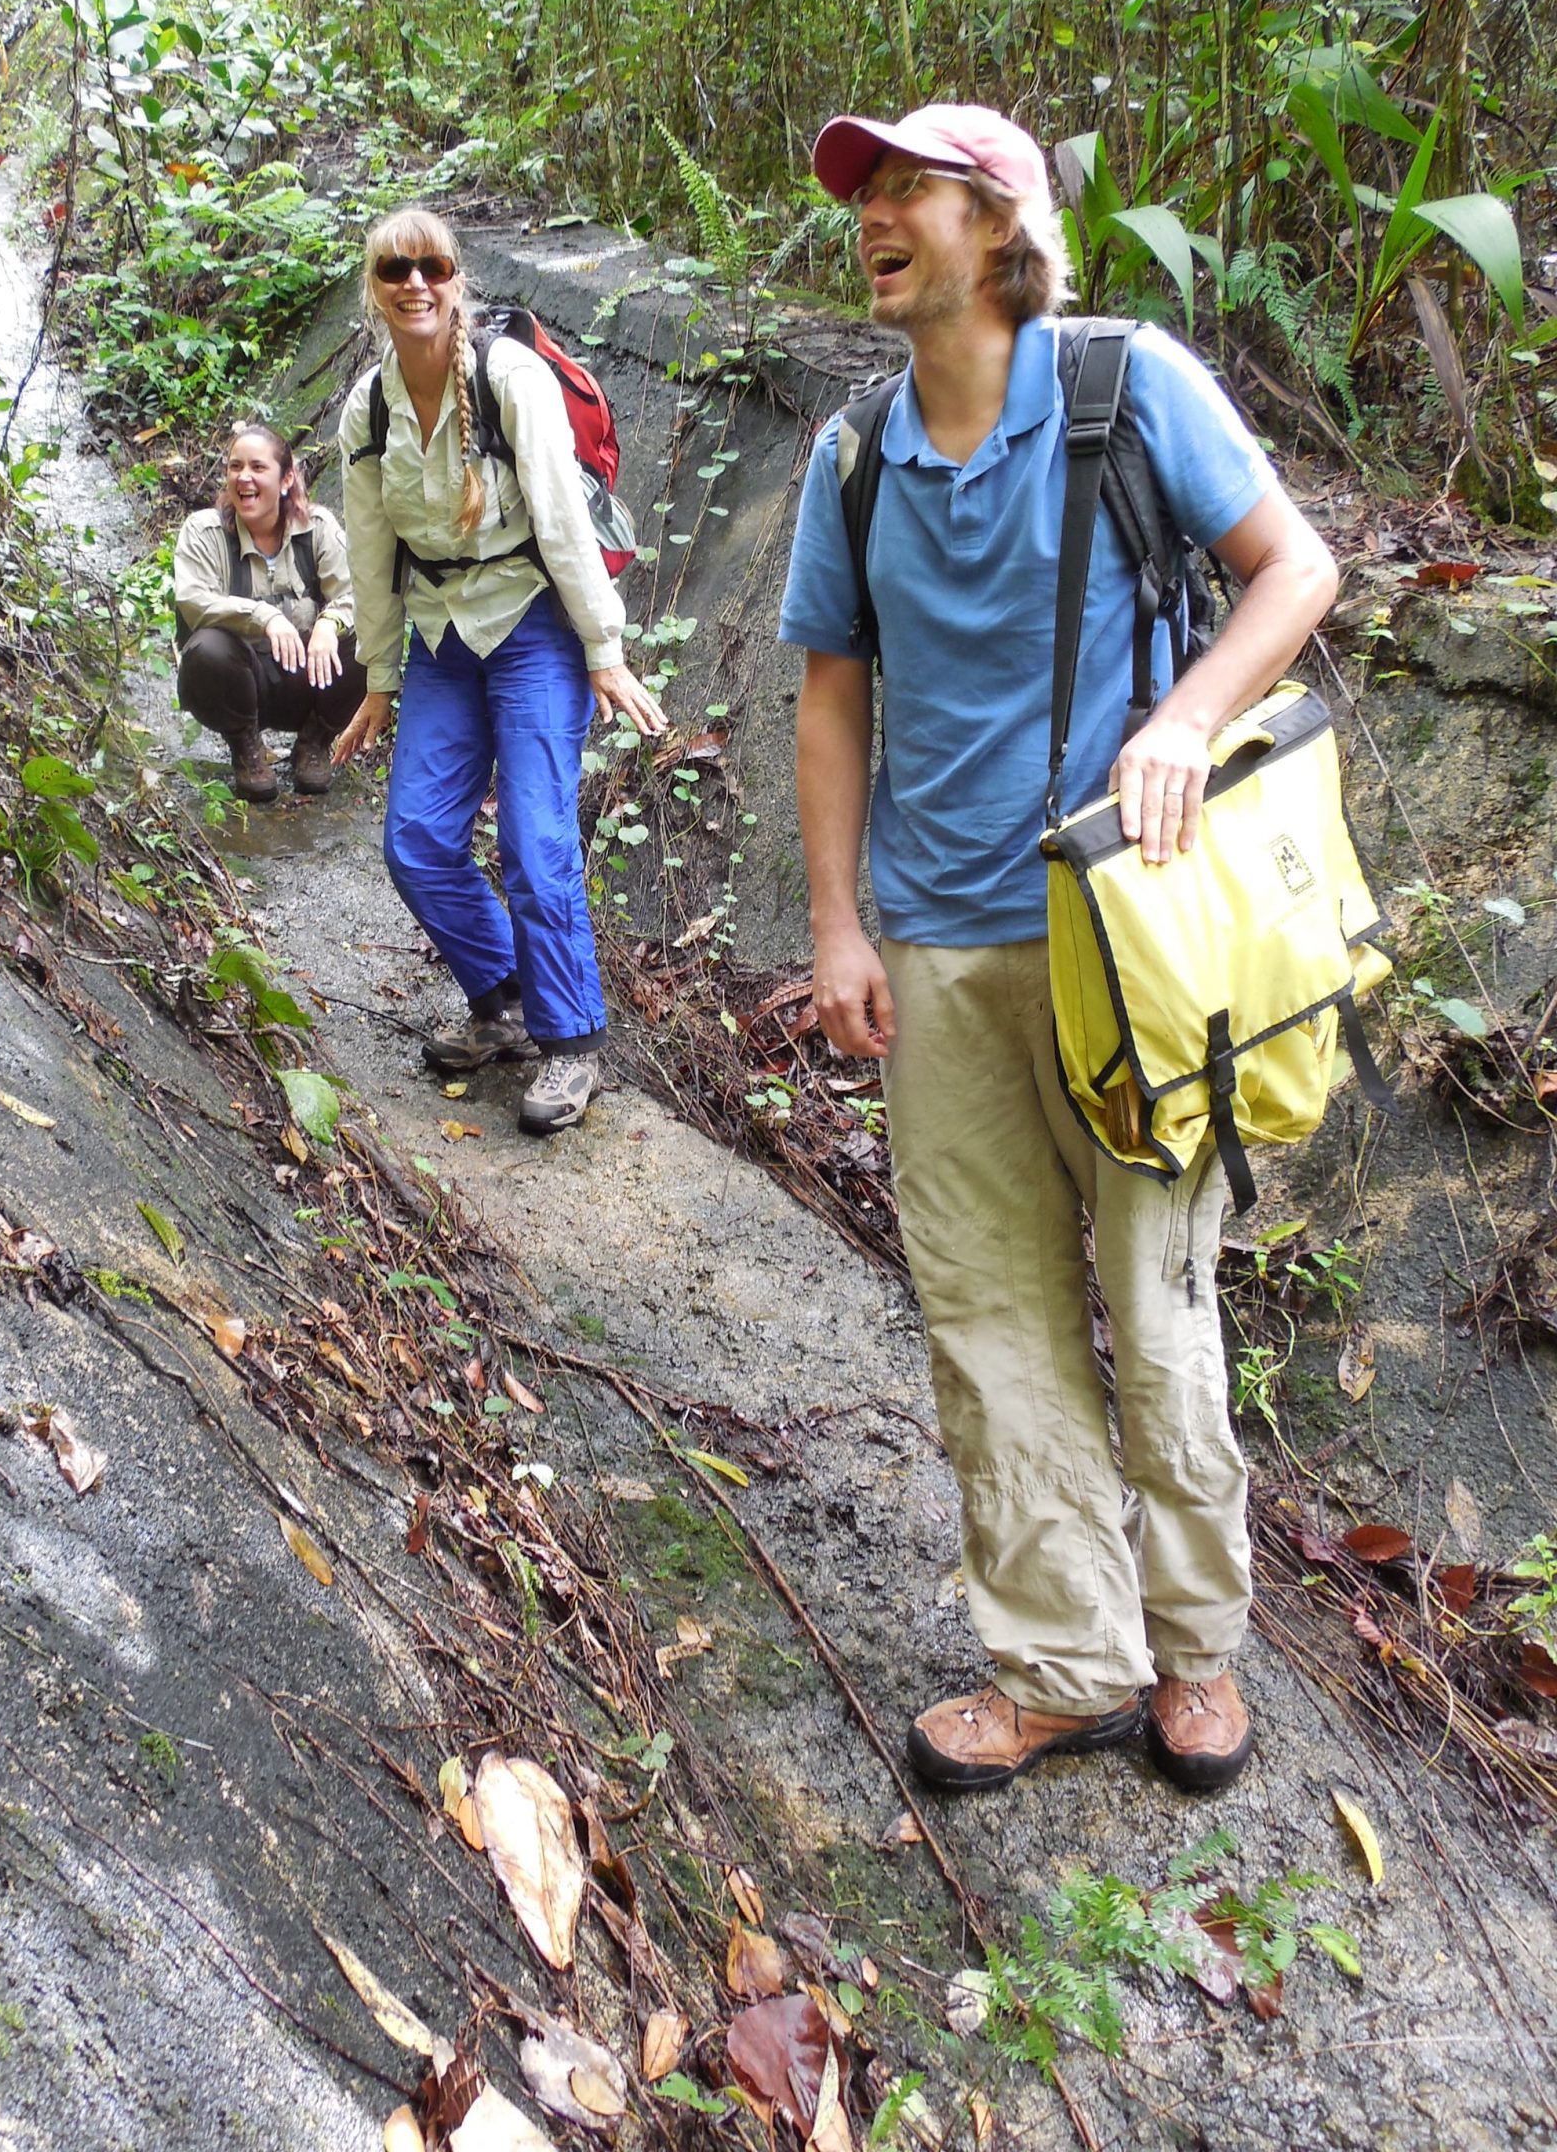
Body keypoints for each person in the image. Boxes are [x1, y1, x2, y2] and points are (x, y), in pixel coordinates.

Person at [780, 104, 1339, 1795]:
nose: (874, 217)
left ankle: (1196, 1651)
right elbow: (829, 692)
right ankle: (1061, 1661)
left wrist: (1179, 720)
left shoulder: (1126, 385)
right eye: (864, 198)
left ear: (1001, 220)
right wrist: (835, 922)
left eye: (908, 192)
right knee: (991, 1316)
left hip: (1134, 946)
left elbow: (1292, 568)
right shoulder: (856, 455)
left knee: (1157, 1306)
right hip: (941, 950)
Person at [329, 206, 668, 1136]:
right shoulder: (367, 407)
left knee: (534, 838)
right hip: (440, 631)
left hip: (532, 625)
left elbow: (562, 519)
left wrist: (604, 651)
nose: (415, 285)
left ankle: (571, 1042)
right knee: (415, 840)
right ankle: (505, 1001)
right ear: (375, 289)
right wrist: (379, 676)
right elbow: (369, 550)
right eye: (394, 271)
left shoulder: (509, 376)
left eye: (431, 267)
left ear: (456, 279)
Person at [173, 422, 364, 802]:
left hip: (308, 678)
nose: (244, 477)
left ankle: (315, 741)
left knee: (369, 640)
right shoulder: (203, 531)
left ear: (286, 478)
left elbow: (359, 593)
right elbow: (193, 600)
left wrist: (330, 622)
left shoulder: (318, 529)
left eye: (258, 468)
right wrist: (264, 616)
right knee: (207, 647)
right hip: (240, 680)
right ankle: (246, 747)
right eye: (235, 467)